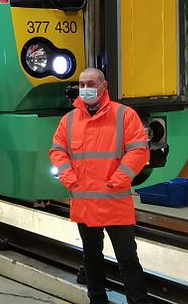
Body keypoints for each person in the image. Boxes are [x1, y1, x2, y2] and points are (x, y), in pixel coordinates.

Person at [49, 68, 150, 304]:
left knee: (127, 259)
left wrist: (117, 181)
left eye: (90, 84)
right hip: (85, 204)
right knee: (91, 257)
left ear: (104, 87)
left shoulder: (124, 115)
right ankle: (97, 300)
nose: (85, 89)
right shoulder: (69, 120)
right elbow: (58, 151)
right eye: (81, 85)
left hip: (114, 202)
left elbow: (139, 150)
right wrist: (70, 179)